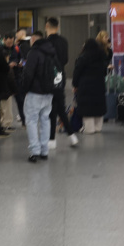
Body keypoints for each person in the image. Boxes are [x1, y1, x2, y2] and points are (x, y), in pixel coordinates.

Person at [22, 31, 56, 162]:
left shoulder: (34, 53)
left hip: (35, 92)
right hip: (49, 92)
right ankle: (44, 150)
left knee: (31, 120)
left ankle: (34, 151)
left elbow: (28, 73)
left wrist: (24, 88)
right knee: (45, 120)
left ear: (34, 39)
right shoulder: (52, 52)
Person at [45, 18, 78, 149]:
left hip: (49, 77)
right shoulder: (64, 41)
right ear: (57, 27)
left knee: (53, 107)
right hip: (60, 75)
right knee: (58, 105)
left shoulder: (46, 43)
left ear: (47, 26)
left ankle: (53, 139)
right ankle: (71, 135)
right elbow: (65, 59)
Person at [72, 38, 109, 134]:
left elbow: (77, 73)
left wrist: (75, 85)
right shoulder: (102, 57)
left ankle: (89, 128)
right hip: (99, 85)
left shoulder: (82, 58)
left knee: (87, 108)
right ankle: (98, 127)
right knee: (98, 106)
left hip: (85, 86)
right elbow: (105, 72)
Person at [0, 32, 20, 131]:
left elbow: (21, 58)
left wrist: (18, 63)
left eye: (12, 42)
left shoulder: (16, 48)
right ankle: (5, 123)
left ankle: (4, 122)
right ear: (4, 40)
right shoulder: (0, 50)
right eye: (8, 43)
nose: (10, 44)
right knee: (5, 104)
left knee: (6, 103)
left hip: (13, 75)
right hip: (5, 79)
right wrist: (8, 65)